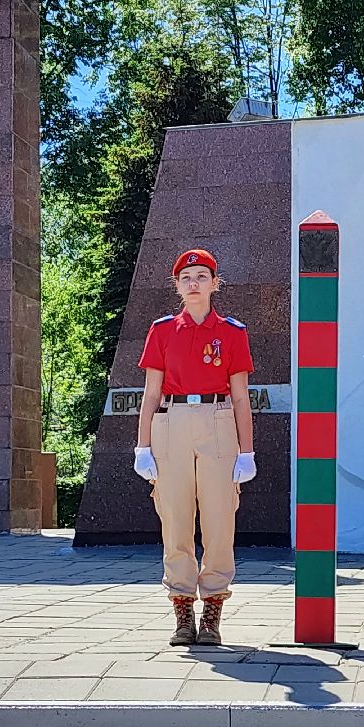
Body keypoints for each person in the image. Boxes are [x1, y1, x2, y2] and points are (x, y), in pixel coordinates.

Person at [134, 249, 257, 646]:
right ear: (177, 285)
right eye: (186, 277)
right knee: (175, 519)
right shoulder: (163, 329)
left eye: (202, 276)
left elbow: (241, 397)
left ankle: (213, 614)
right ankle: (183, 611)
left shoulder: (233, 332)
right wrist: (143, 445)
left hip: (218, 420)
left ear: (215, 283)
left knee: (221, 520)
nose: (194, 283)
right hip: (171, 423)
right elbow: (151, 393)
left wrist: (247, 451)